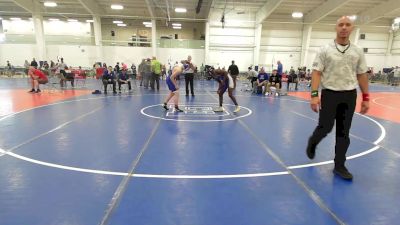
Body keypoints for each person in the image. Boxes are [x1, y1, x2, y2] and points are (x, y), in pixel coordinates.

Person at [306, 16, 370, 180]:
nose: (344, 27)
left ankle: (339, 165)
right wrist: (314, 95)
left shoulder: (357, 51)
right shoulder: (325, 49)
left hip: (349, 95)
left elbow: (361, 74)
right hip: (330, 94)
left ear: (352, 28)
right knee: (325, 127)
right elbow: (317, 72)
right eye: (341, 24)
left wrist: (366, 97)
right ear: (336, 28)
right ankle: (313, 142)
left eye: (347, 25)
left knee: (344, 133)